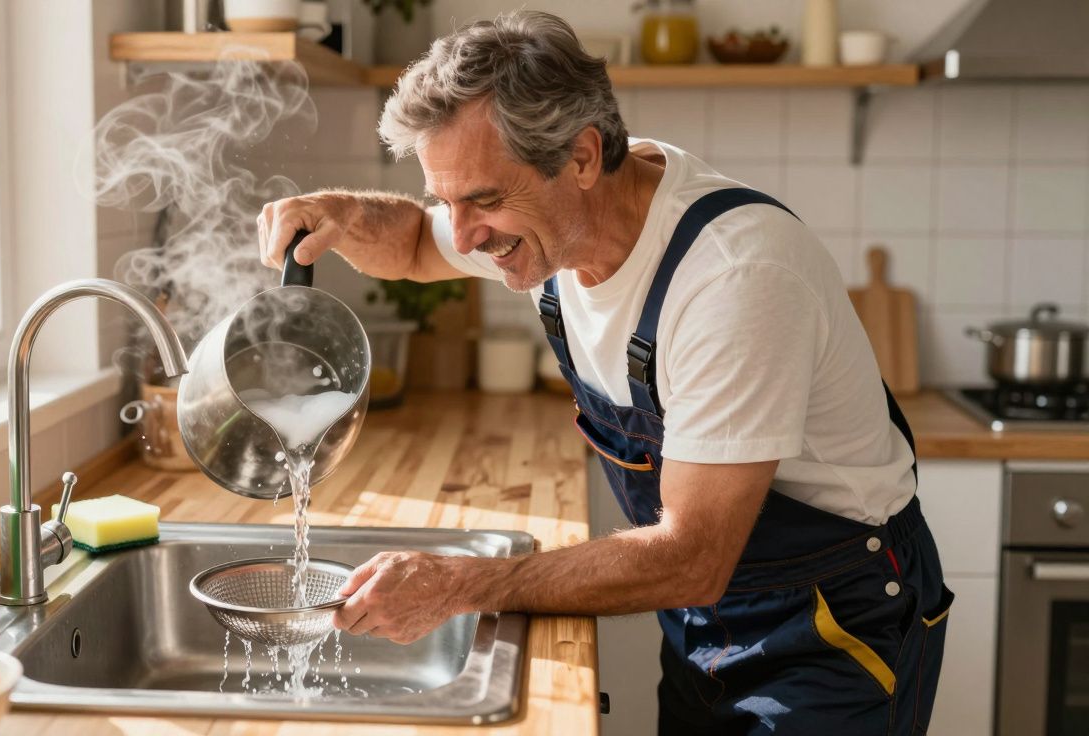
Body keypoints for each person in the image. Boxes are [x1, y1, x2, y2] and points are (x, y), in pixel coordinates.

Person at [257, 11, 950, 734]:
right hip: (702, 623)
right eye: (446, 200)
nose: (461, 235)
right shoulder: (557, 224)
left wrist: (460, 584)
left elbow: (691, 556)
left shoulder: (734, 275)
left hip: (830, 631)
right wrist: (334, 211)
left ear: (583, 158)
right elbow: (411, 245)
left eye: (485, 200)